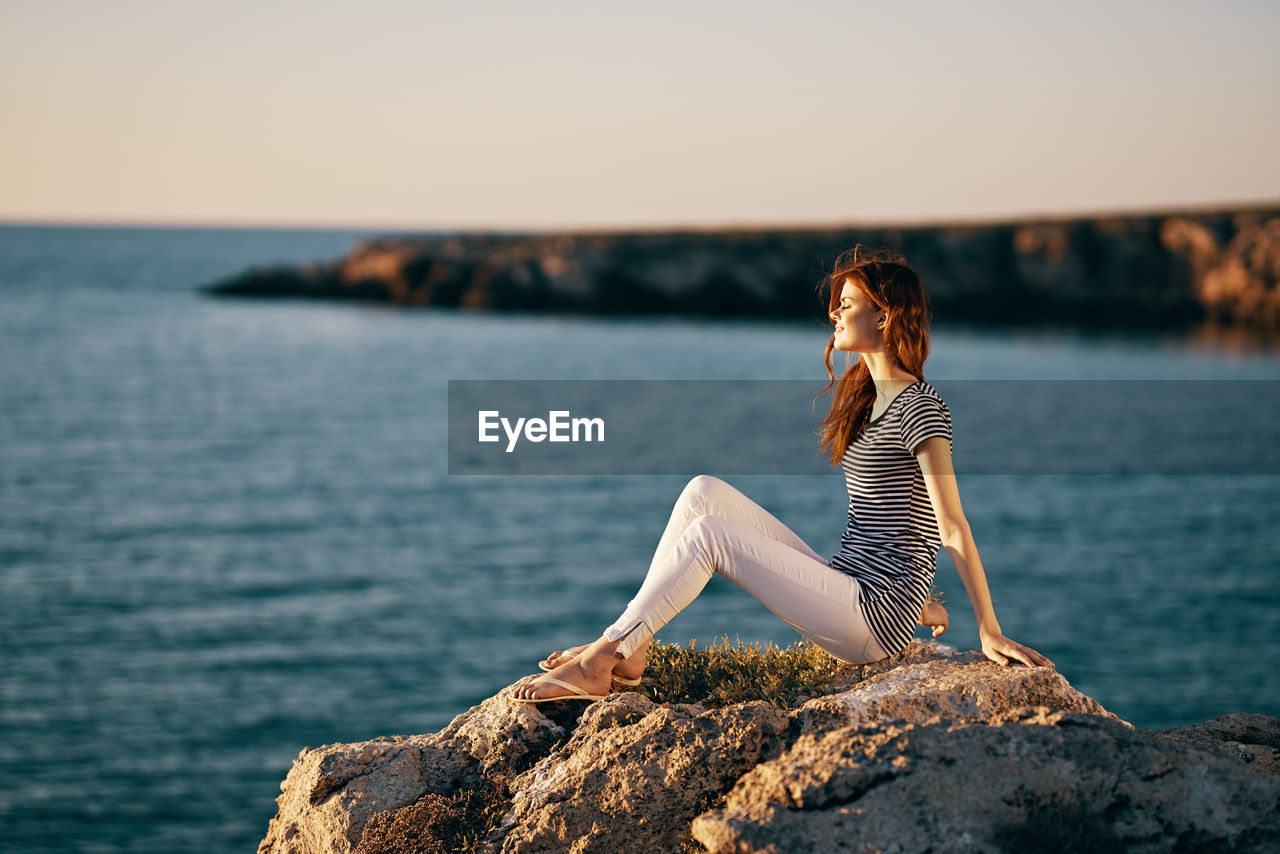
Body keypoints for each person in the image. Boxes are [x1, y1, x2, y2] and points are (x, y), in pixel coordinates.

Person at [510, 246, 1052, 704]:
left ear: (884, 315)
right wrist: (921, 602)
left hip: (870, 617)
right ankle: (633, 647)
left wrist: (987, 628)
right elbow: (894, 524)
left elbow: (950, 523)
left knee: (709, 538)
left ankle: (601, 660)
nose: (834, 316)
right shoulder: (869, 400)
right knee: (704, 493)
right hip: (854, 584)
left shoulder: (921, 408)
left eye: (847, 305)